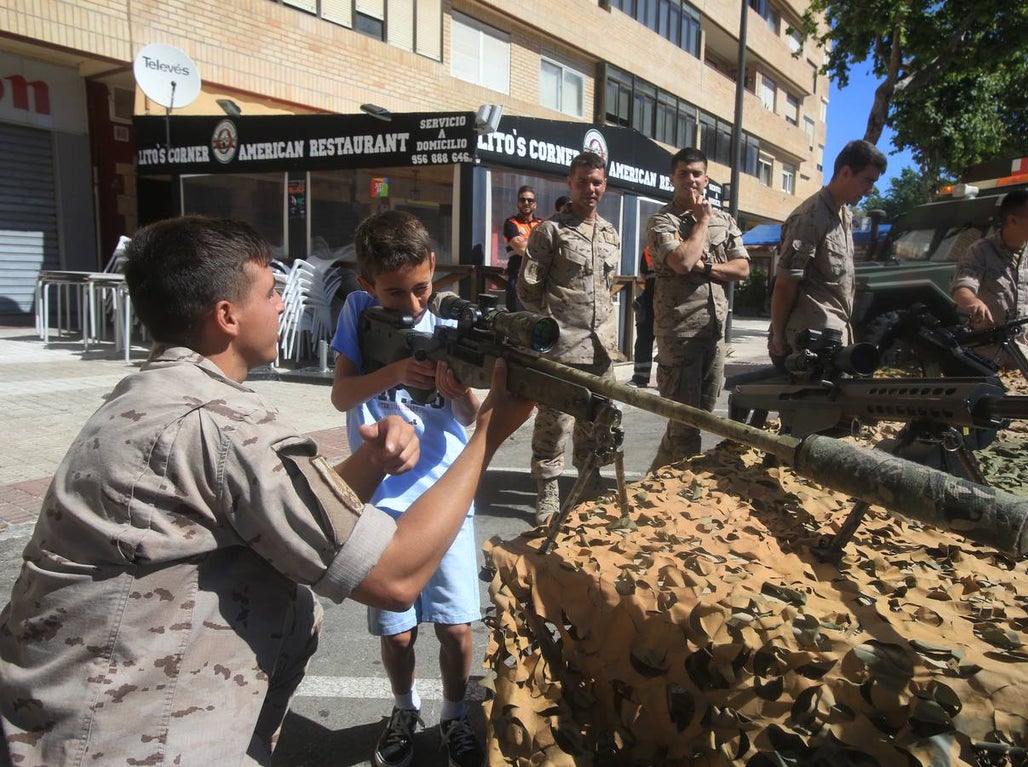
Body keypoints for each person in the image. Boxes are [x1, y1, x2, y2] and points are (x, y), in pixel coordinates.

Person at [0, 216, 533, 767]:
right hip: (134, 741)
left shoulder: (140, 395)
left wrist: (371, 461)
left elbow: (282, 507)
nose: (283, 304)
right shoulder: (229, 429)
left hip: (64, 724)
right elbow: (393, 578)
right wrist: (491, 432)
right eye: (271, 291)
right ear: (227, 317)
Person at [329, 210, 489, 767]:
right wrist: (396, 374)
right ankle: (404, 708)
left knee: (456, 628)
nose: (413, 305)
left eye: (422, 287)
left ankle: (452, 714)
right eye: (394, 293)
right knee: (397, 636)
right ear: (368, 284)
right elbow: (343, 395)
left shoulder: (447, 317)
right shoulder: (355, 311)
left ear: (434, 271)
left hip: (444, 492)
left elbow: (466, 416)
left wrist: (457, 387)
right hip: (383, 497)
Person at [518, 152, 620, 524]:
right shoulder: (551, 230)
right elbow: (529, 289)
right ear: (570, 183)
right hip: (563, 348)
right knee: (553, 425)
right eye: (583, 181)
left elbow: (607, 288)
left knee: (599, 423)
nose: (590, 188)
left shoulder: (610, 233)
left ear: (604, 184)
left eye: (596, 182)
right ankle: (547, 495)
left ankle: (588, 487)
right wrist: (550, 328)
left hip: (602, 350)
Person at [645, 147, 750, 471]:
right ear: (672, 178)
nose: (690, 180)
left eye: (696, 173)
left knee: (699, 416)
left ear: (706, 178)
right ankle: (671, 495)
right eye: (683, 174)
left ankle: (655, 481)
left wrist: (706, 269)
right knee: (684, 424)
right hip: (680, 333)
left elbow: (743, 269)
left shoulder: (726, 220)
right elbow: (682, 261)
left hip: (713, 333)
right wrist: (702, 222)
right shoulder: (663, 221)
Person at [769, 140, 887, 368]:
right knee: (807, 404)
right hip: (811, 340)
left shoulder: (845, 215)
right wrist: (778, 336)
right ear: (845, 172)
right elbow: (785, 284)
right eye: (867, 180)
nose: (870, 190)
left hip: (834, 334)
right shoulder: (810, 217)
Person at [950, 188, 1028, 372]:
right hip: (985, 353)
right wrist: (973, 302)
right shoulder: (980, 251)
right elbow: (961, 288)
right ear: (1013, 220)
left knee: (1020, 400)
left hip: (1025, 353)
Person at [502, 185, 543, 312]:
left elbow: (550, 249)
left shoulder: (542, 224)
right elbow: (520, 248)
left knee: (537, 321)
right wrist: (538, 244)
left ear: (535, 205)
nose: (526, 203)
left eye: (530, 200)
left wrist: (526, 241)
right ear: (517, 204)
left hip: (539, 279)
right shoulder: (511, 223)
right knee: (517, 320)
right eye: (522, 200)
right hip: (518, 277)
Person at [628, 246, 656, 387]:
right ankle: (640, 376)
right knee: (643, 339)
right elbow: (644, 276)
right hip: (651, 301)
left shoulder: (681, 246)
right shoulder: (648, 251)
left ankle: (665, 379)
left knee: (669, 343)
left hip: (671, 302)